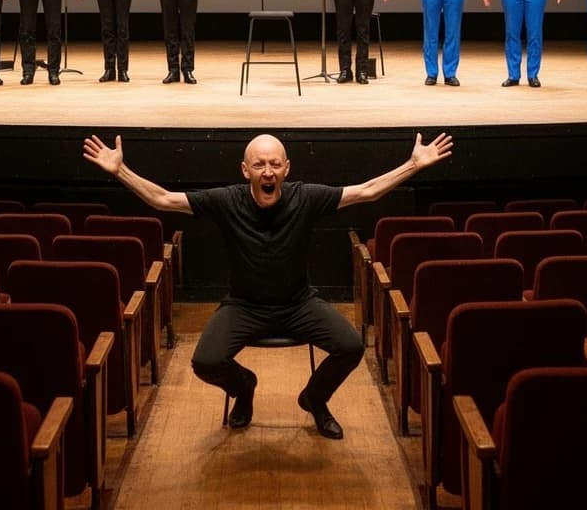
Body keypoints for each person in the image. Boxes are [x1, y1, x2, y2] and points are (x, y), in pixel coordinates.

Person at [81, 129, 454, 439]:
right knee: (205, 361)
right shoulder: (227, 200)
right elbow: (163, 198)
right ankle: (244, 388)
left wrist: (413, 164)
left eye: (275, 163)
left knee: (351, 346)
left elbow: (367, 191)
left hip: (298, 304)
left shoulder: (305, 197)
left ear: (286, 168)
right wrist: (120, 170)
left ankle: (314, 398)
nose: (268, 171)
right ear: (245, 170)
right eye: (259, 164)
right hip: (245, 307)